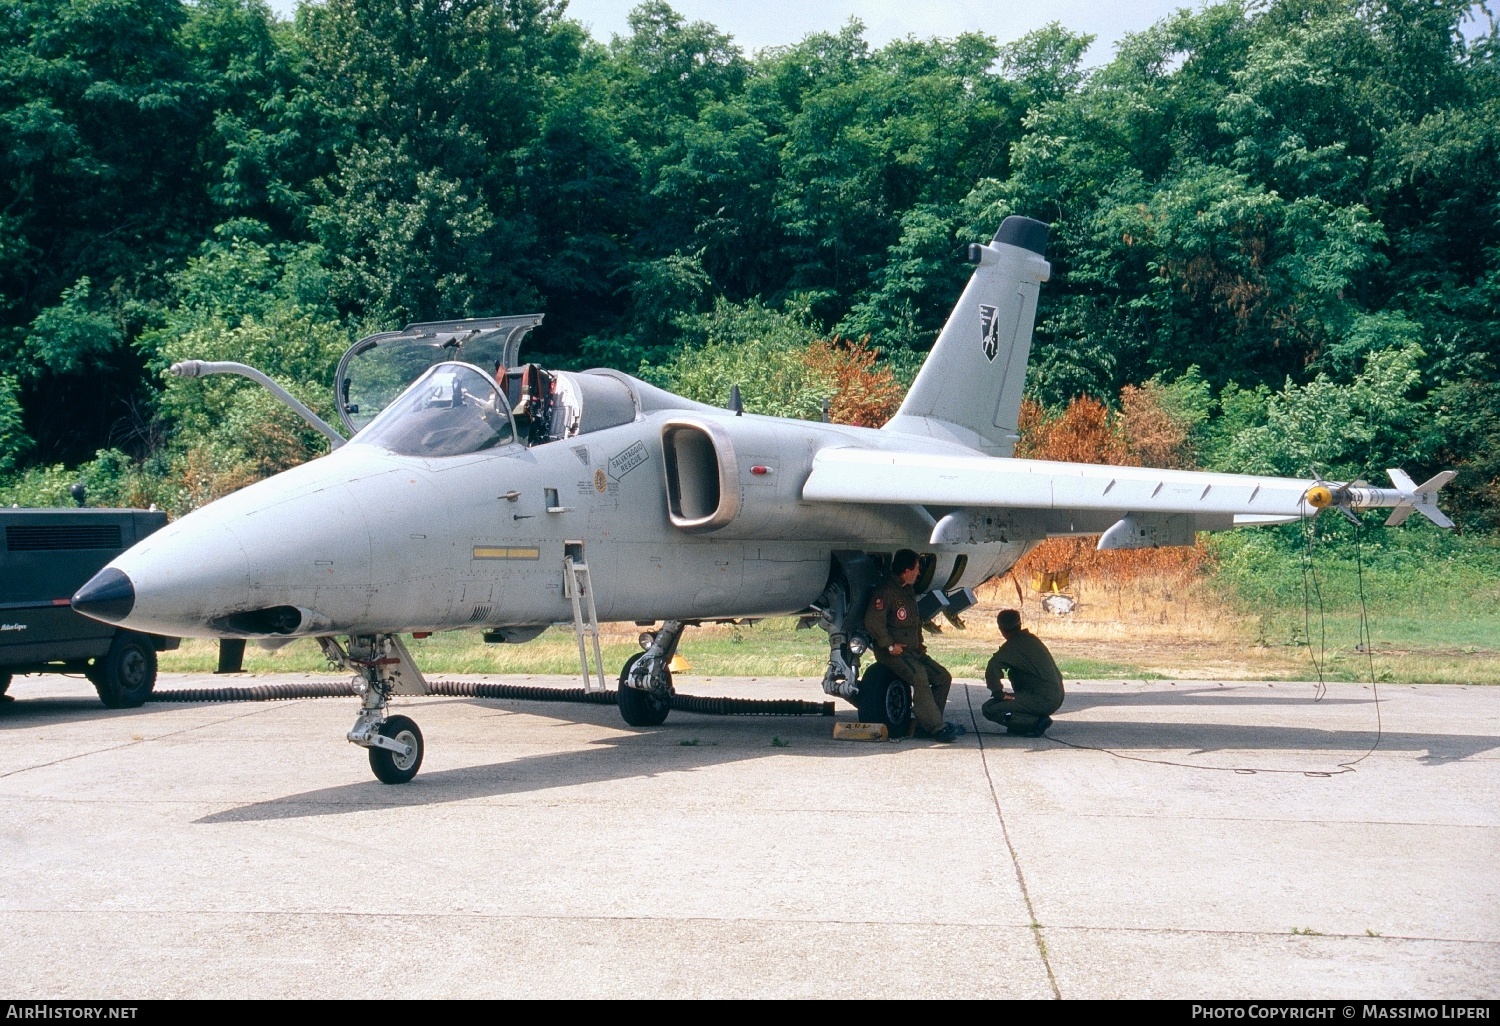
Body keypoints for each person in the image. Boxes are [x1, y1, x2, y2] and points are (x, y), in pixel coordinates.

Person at [864, 549, 965, 743]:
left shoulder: (907, 590)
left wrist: (920, 644)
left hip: (912, 651)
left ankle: (925, 724)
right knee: (919, 676)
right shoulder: (886, 592)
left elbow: (914, 622)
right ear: (906, 570)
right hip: (894, 653)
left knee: (942, 677)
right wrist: (890, 645)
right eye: (917, 569)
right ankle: (936, 727)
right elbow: (872, 622)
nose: (919, 573)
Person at [984, 609, 1065, 737]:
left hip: (1043, 699)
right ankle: (1020, 724)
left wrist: (998, 693)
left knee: (990, 709)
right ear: (1019, 623)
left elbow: (992, 668)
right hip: (1054, 695)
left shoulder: (1013, 646)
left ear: (1001, 628)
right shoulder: (1030, 640)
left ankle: (1034, 723)